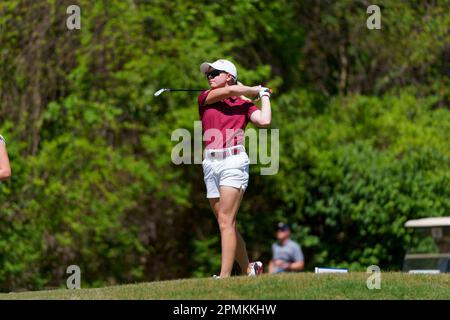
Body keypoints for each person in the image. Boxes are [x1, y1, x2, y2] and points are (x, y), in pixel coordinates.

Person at [198, 59, 272, 278]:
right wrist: (255, 89)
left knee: (226, 222)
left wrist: (264, 96)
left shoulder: (244, 105)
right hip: (210, 163)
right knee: (225, 221)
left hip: (233, 161)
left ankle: (224, 277)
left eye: (214, 73)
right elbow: (230, 90)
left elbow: (264, 120)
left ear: (229, 75)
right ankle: (250, 268)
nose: (209, 77)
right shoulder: (205, 98)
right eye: (208, 75)